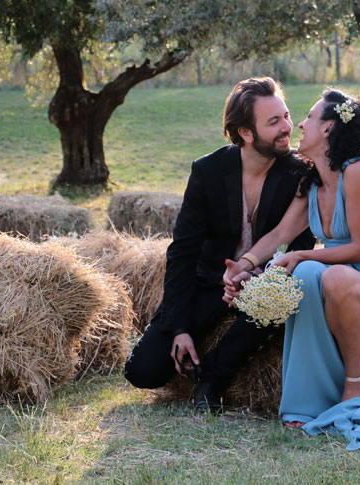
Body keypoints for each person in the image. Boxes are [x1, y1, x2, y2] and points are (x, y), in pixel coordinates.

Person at [224, 89, 360, 449]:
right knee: (308, 275)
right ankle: (309, 402)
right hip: (334, 280)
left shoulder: (356, 171)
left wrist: (301, 257)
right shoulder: (311, 180)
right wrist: (244, 265)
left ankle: (356, 384)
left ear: (327, 128)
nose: (301, 124)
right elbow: (280, 233)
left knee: (320, 271)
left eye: (309, 116)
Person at [124, 76, 315, 412]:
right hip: (209, 283)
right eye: (274, 122)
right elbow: (183, 251)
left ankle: (213, 377)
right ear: (245, 132)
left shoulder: (299, 171)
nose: (287, 127)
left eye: (286, 116)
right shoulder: (208, 171)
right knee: (143, 371)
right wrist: (180, 328)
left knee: (279, 298)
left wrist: (258, 274)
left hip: (264, 281)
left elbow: (298, 241)